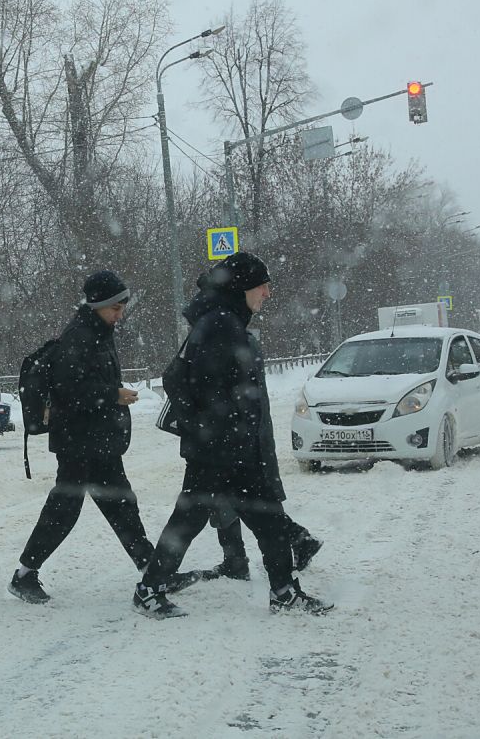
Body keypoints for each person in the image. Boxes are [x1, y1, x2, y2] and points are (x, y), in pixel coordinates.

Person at [133, 253, 333, 618]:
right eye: (263, 286)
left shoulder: (224, 322)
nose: (268, 294)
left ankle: (283, 592)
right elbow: (193, 387)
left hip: (231, 447)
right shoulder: (220, 326)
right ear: (242, 288)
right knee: (196, 519)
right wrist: (219, 434)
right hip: (222, 450)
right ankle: (149, 589)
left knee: (263, 518)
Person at [9, 270, 196, 603]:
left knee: (122, 505)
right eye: (115, 308)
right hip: (77, 441)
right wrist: (113, 395)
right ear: (97, 305)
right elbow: (70, 391)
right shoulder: (78, 336)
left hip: (97, 440)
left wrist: (110, 396)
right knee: (65, 508)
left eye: (121, 308)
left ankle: (151, 570)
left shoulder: (98, 330)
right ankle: (24, 575)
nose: (119, 314)